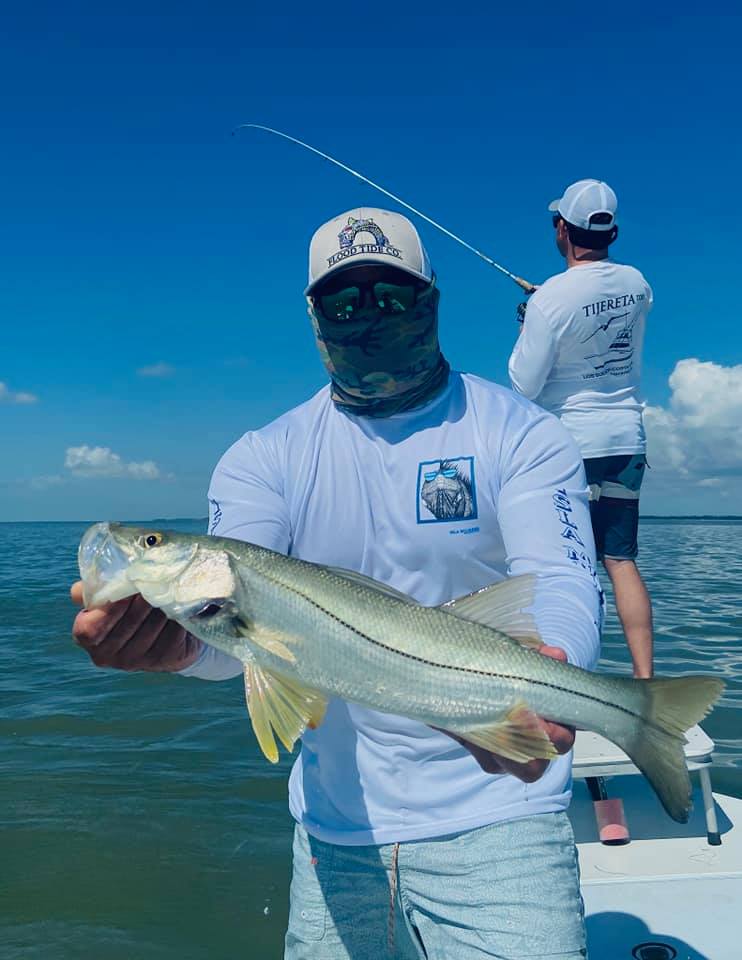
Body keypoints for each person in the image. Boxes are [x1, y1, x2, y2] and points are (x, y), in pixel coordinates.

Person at [72, 207, 602, 959]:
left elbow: (561, 576)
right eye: (344, 301)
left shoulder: (519, 431)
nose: (368, 318)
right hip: (335, 833)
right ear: (314, 314)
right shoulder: (264, 458)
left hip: (502, 812)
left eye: (391, 295)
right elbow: (245, 641)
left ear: (432, 299)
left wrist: (557, 670)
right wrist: (180, 651)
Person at [509, 180, 653, 680]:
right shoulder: (639, 284)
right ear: (610, 229)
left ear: (562, 229)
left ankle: (565, 683)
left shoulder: (551, 300)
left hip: (569, 445)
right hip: (626, 440)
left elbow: (524, 384)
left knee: (567, 569)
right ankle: (645, 681)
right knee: (621, 563)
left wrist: (530, 318)